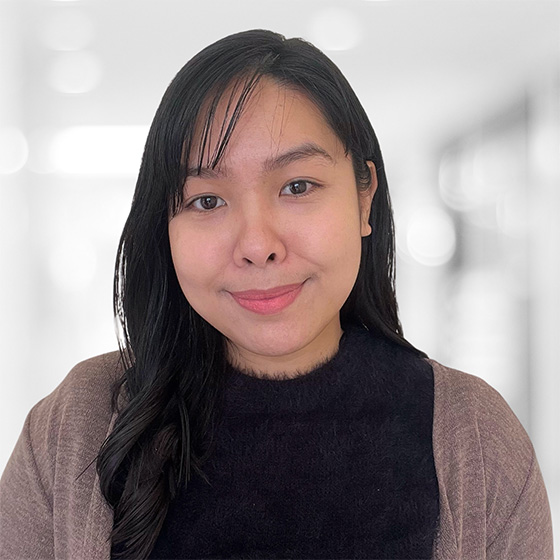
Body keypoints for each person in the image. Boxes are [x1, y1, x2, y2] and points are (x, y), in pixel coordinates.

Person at [0, 29, 553, 560]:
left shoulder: (473, 436)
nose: (257, 246)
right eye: (207, 201)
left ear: (364, 198)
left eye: (297, 186)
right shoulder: (76, 428)